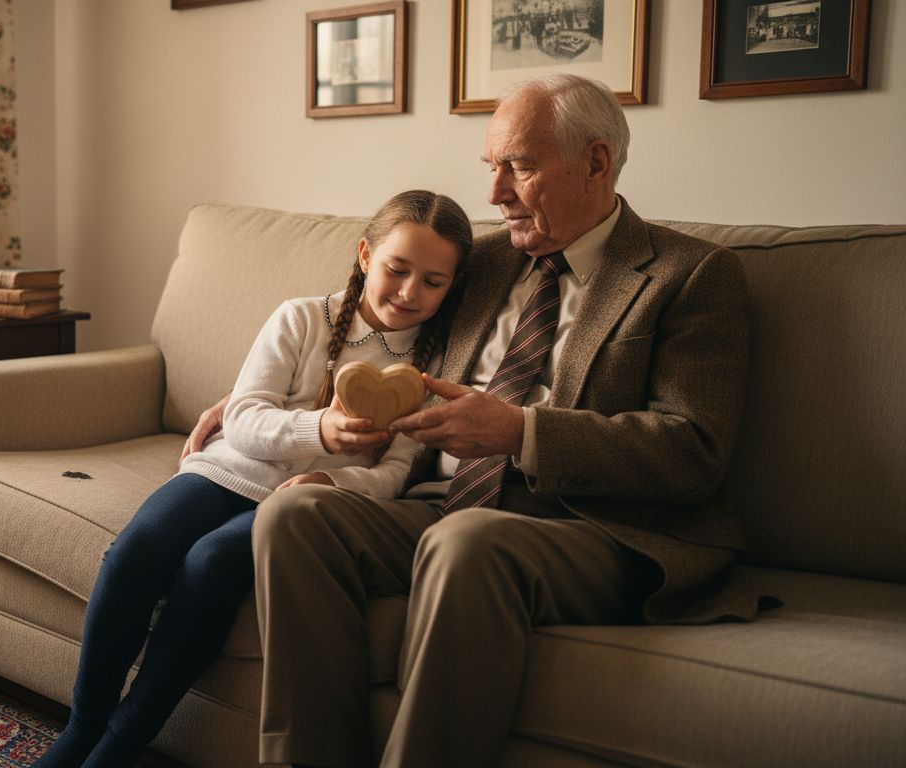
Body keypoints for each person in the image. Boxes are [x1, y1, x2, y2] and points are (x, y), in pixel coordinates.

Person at [187, 74, 759, 767]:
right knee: (293, 517)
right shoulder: (481, 262)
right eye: (491, 168)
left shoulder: (689, 274)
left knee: (466, 544)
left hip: (595, 526)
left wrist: (521, 432)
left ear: (596, 162)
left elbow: (694, 450)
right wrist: (257, 396)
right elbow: (377, 324)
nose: (494, 194)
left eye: (517, 167)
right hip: (443, 502)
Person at [36, 190, 473, 768]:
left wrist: (332, 481)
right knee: (136, 552)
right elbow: (242, 417)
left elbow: (393, 473)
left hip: (299, 506)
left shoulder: (428, 370)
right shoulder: (300, 317)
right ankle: (82, 730)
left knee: (210, 565)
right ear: (365, 254)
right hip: (226, 471)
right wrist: (318, 431)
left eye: (433, 282)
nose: (410, 293)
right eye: (398, 269)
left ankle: (118, 747)